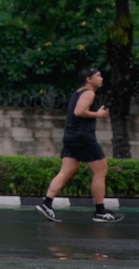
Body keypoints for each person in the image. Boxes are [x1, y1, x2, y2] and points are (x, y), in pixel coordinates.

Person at [39, 67, 123, 223]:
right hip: (83, 138)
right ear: (89, 79)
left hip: (71, 137)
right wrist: (98, 114)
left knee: (66, 172)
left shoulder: (78, 93)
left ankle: (47, 204)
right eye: (98, 76)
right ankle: (100, 211)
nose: (101, 78)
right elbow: (79, 111)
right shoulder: (88, 93)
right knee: (100, 172)